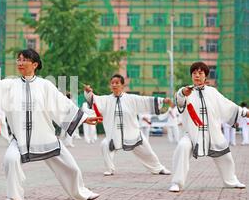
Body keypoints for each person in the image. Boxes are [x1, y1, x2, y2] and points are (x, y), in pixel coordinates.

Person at [0, 48, 101, 200]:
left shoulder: (45, 85)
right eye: (19, 59)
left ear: (35, 64)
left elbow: (62, 105)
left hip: (45, 136)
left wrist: (84, 119)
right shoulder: (10, 84)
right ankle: (14, 195)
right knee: (10, 159)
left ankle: (81, 192)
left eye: (25, 60)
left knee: (71, 167)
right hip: (20, 139)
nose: (20, 63)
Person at [169, 61, 246, 192]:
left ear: (205, 76)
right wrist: (182, 93)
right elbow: (179, 100)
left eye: (200, 73)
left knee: (226, 156)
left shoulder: (212, 92)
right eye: (194, 73)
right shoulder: (186, 91)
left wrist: (245, 112)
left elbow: (228, 106)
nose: (197, 75)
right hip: (192, 134)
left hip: (213, 134)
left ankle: (231, 181)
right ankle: (177, 183)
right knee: (182, 146)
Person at [84, 75, 172, 176]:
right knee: (105, 144)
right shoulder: (106, 100)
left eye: (117, 83)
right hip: (114, 135)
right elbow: (94, 100)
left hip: (132, 133)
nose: (114, 85)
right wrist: (88, 92)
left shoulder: (131, 99)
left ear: (122, 85)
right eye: (112, 83)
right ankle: (110, 169)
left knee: (148, 151)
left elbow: (146, 100)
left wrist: (162, 100)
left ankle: (158, 168)